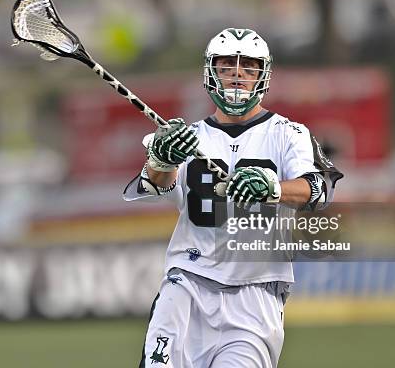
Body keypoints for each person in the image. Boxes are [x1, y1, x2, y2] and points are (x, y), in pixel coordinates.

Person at [124, 28, 343, 368]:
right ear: (211, 73)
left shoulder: (289, 134)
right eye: (227, 66)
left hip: (256, 296)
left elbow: (319, 188)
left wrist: (275, 188)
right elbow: (157, 186)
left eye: (248, 67)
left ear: (263, 75)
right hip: (188, 285)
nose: (237, 75)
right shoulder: (190, 136)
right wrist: (161, 160)